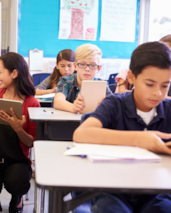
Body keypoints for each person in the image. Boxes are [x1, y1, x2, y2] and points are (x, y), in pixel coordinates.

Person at [73, 41, 171, 213]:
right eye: (150, 84)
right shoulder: (115, 104)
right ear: (131, 77)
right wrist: (140, 139)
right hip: (112, 190)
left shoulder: (169, 108)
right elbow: (82, 134)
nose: (158, 93)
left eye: (165, 85)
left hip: (158, 190)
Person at [0, 52, 40, 213]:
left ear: (14, 73)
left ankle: (17, 199)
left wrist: (18, 128)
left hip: (17, 160)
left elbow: (31, 142)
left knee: (17, 182)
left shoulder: (32, 102)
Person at [53, 44, 112, 113]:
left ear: (98, 68)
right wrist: (73, 107)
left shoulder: (102, 85)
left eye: (92, 65)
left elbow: (115, 104)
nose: (87, 69)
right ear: (75, 66)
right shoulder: (65, 81)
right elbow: (57, 101)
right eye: (82, 64)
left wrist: (107, 105)